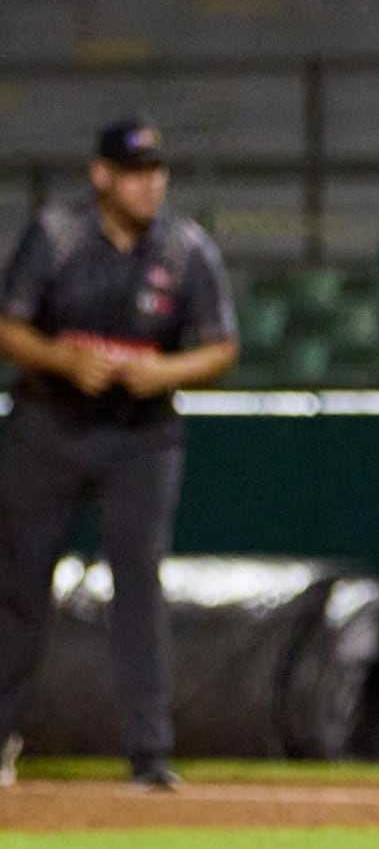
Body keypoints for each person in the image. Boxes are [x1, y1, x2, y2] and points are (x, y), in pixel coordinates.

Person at [0, 121, 238, 791]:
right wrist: (62, 359)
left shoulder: (185, 248)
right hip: (48, 423)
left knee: (139, 581)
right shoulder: (56, 235)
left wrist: (167, 373)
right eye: (135, 170)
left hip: (141, 433)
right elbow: (8, 324)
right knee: (18, 582)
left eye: (157, 169)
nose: (150, 182)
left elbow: (221, 346)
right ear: (101, 175)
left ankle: (149, 754)